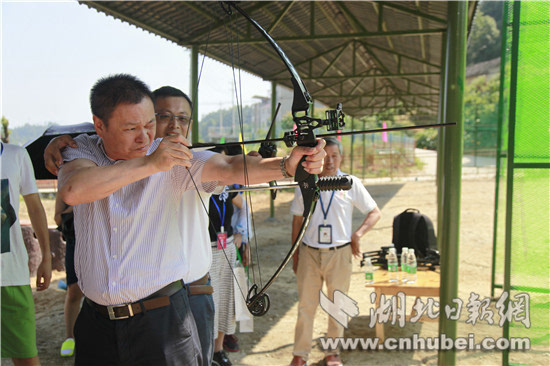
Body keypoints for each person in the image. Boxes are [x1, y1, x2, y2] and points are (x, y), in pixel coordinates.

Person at [54, 74, 326, 365]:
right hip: (97, 322)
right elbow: (73, 189)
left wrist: (287, 166)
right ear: (99, 126)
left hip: (161, 320)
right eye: (131, 128)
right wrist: (148, 164)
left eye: (148, 125)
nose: (144, 137)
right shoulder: (83, 149)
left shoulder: (174, 159)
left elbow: (230, 166)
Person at [289, 137, 381, 366]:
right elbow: (297, 221)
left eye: (334, 155)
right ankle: (300, 354)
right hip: (310, 252)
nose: (329, 160)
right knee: (306, 306)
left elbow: (374, 212)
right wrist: (295, 253)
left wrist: (357, 235)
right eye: (325, 155)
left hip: (339, 253)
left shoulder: (350, 182)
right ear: (315, 158)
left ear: (341, 157)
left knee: (337, 305)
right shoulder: (306, 183)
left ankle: (333, 353)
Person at [1, 142, 52, 366]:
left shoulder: (15, 155)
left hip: (12, 275)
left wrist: (46, 257)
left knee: (25, 355)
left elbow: (35, 206)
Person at [54, 195, 83, 358]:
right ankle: (69, 337)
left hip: (102, 239)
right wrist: (77, 203)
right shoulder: (67, 179)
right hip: (75, 240)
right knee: (73, 291)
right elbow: (58, 218)